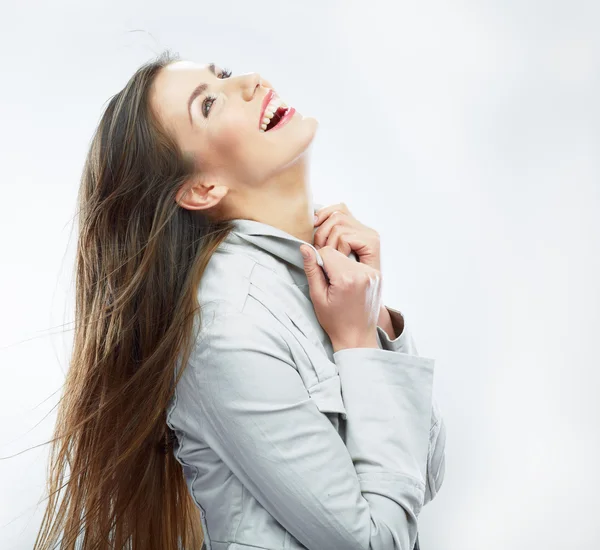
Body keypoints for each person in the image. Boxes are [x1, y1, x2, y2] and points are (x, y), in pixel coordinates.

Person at [33, 50, 445, 550]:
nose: (249, 81)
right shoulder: (227, 326)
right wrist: (358, 342)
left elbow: (425, 475)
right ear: (204, 187)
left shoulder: (319, 281)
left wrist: (374, 314)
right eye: (207, 104)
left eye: (223, 74)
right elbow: (377, 543)